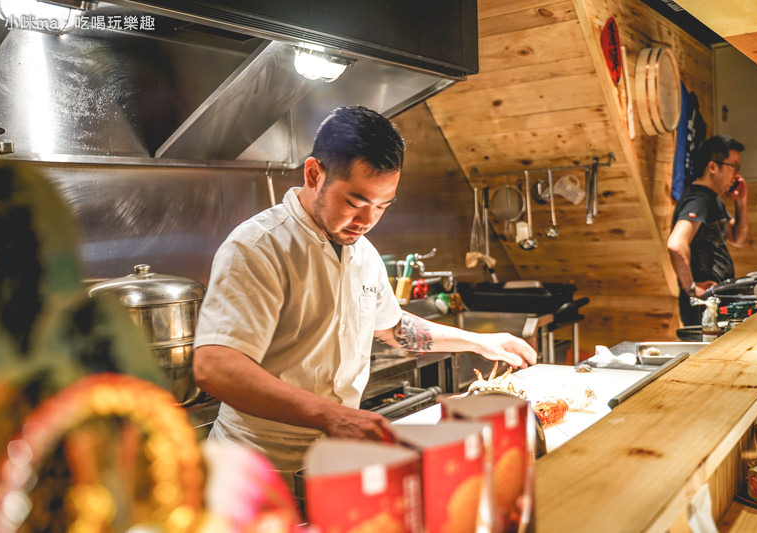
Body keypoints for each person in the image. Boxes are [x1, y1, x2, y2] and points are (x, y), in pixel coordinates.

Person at [193, 105, 537, 485]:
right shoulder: (258, 247)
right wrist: (333, 415)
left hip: (334, 463)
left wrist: (478, 341)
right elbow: (215, 367)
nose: (368, 220)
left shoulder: (362, 251)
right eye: (355, 202)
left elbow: (392, 326)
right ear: (314, 174)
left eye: (382, 206)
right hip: (257, 470)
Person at [667, 135, 749, 326]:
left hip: (715, 300)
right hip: (704, 305)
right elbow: (676, 245)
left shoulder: (713, 200)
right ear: (712, 167)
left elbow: (738, 239)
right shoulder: (698, 199)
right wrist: (691, 289)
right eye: (734, 166)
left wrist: (741, 202)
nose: (737, 175)